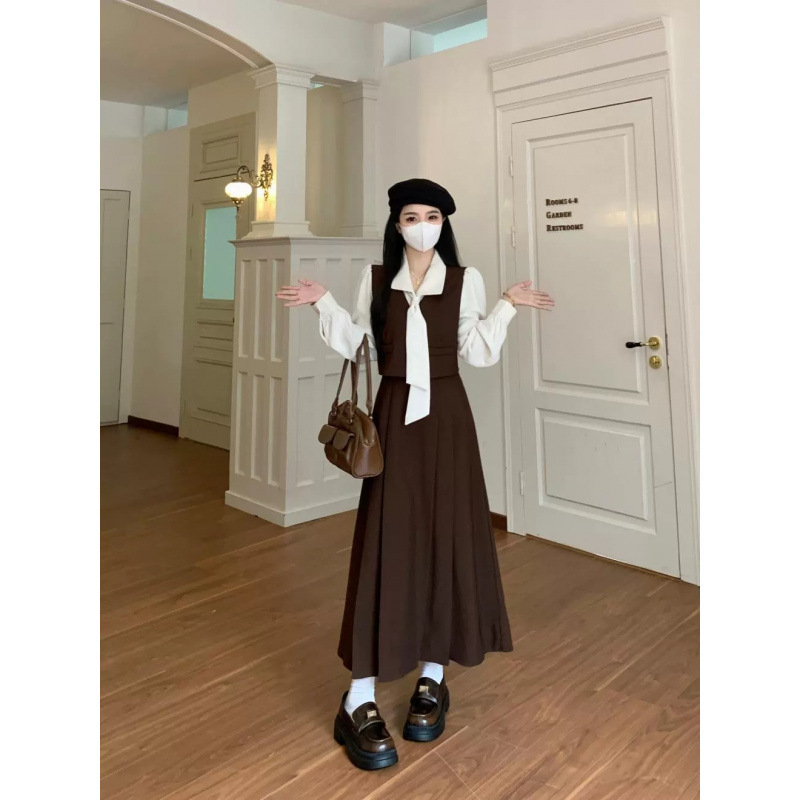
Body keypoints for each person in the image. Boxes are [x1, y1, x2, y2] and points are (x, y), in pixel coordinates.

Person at [275, 178, 555, 770]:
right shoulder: (377, 279)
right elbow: (361, 345)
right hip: (394, 413)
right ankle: (358, 694)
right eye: (411, 216)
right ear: (396, 224)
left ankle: (433, 674)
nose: (422, 225)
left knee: (446, 535)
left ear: (443, 224)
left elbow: (475, 350)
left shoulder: (465, 280)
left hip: (448, 417)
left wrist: (506, 304)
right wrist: (324, 302)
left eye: (432, 216)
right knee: (388, 539)